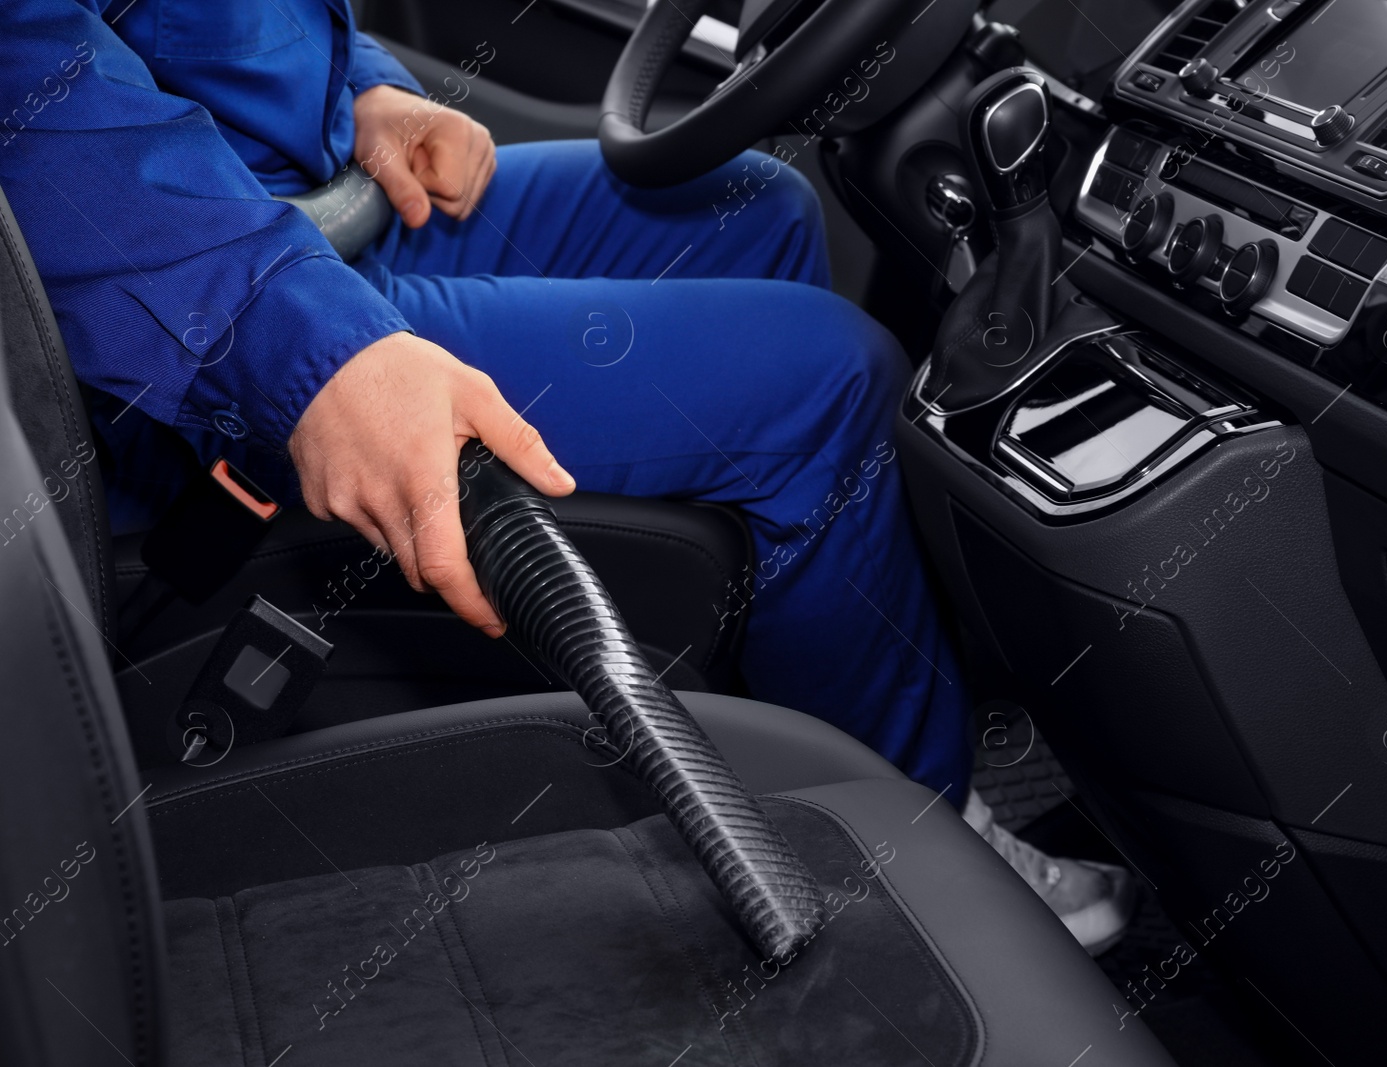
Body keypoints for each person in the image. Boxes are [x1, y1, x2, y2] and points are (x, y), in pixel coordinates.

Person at [0, 0, 1130, 951]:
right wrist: (292, 339)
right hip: (183, 304)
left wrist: (361, 94)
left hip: (288, 192)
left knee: (752, 205)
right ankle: (920, 829)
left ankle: (758, 686)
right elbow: (27, 80)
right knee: (829, 385)